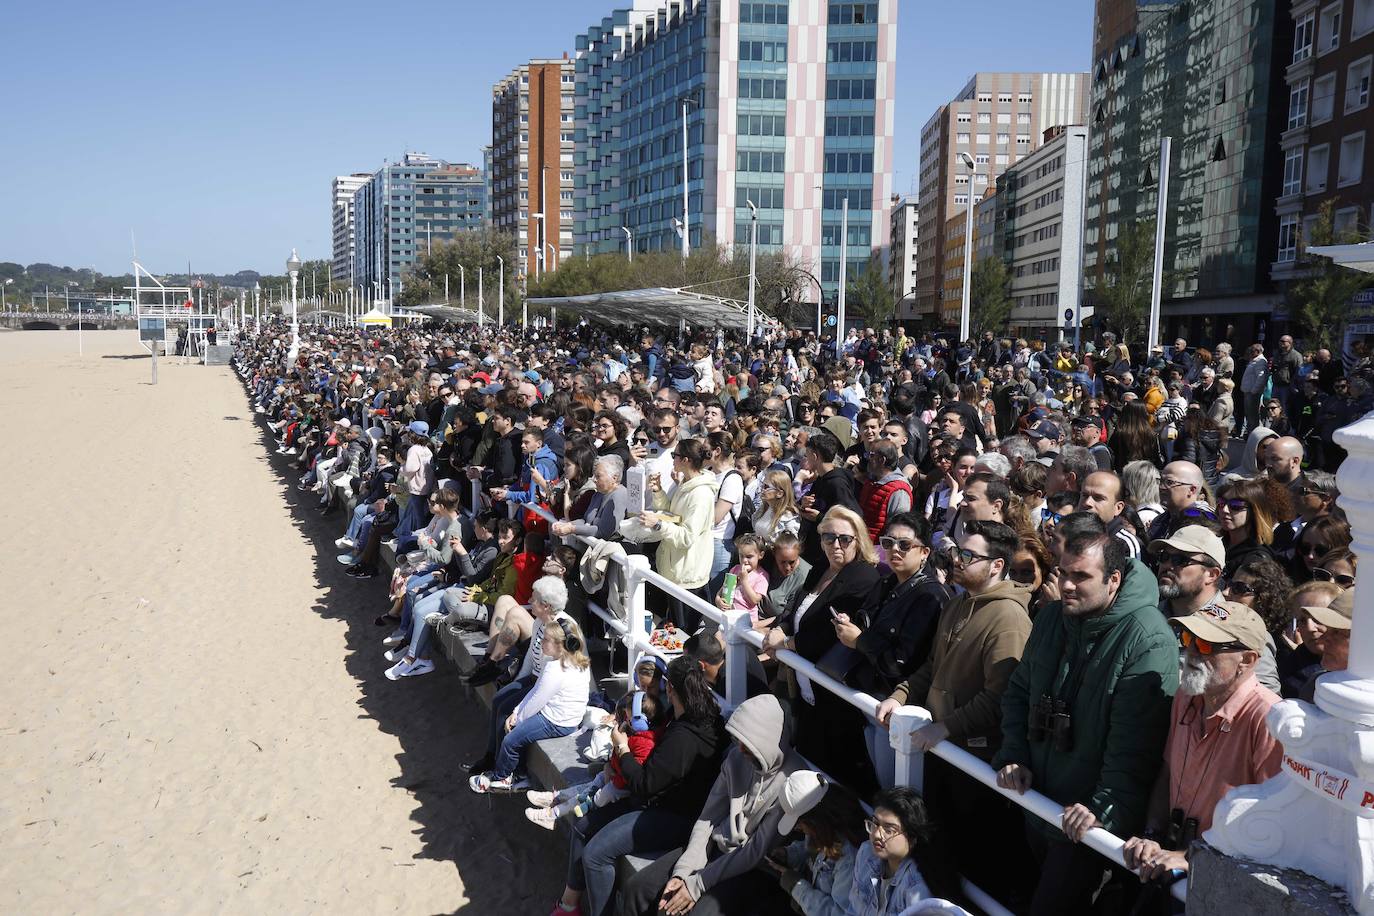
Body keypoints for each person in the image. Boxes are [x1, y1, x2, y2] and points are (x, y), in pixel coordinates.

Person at [995, 523, 1178, 916]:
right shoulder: (1051, 618)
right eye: (1063, 573)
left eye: (1081, 576)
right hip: (1037, 802)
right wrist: (1014, 755)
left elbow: (1135, 749)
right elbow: (1019, 693)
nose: (1066, 586)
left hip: (1085, 826)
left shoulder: (1148, 639)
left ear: (1113, 579)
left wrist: (1102, 812)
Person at [877, 519, 1033, 902]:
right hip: (944, 753)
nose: (956, 559)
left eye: (967, 554)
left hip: (975, 764)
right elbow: (934, 665)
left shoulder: (1010, 619)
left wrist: (946, 726)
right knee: (937, 857)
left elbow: (1000, 697)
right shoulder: (958, 601)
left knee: (971, 868)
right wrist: (900, 694)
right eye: (956, 551)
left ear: (997, 565)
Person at [551, 657, 728, 916]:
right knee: (582, 825)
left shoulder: (684, 736)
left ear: (670, 689)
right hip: (657, 800)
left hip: (674, 816)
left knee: (595, 855)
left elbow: (644, 784)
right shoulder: (697, 715)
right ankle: (569, 904)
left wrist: (622, 749)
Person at [1122, 601, 1283, 885]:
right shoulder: (1187, 695)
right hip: (1169, 863)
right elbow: (1168, 771)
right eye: (1188, 639)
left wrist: (1193, 857)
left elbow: (1273, 825)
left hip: (1220, 880)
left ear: (1247, 660)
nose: (1192, 651)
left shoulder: (1268, 718)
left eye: (1207, 645)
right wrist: (1151, 835)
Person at [618, 694, 805, 916]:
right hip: (715, 847)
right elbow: (708, 818)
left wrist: (696, 885)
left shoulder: (792, 779)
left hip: (752, 868)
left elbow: (756, 851)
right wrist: (683, 873)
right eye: (739, 741)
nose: (741, 749)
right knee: (637, 888)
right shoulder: (736, 759)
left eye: (748, 743)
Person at [763, 506, 882, 791]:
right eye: (829, 538)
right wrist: (781, 627)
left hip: (835, 696)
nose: (835, 545)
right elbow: (796, 605)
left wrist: (787, 643)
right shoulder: (821, 567)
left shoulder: (863, 577)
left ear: (858, 540)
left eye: (844, 539)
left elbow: (830, 633)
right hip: (807, 690)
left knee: (835, 777)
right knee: (807, 762)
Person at [469, 615, 590, 793]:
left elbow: (538, 700)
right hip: (565, 717)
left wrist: (517, 718)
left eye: (547, 639)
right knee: (518, 728)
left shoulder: (555, 669)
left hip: (558, 722)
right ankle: (519, 774)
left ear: (560, 645)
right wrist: (518, 711)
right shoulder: (571, 662)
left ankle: (502, 777)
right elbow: (536, 691)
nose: (541, 641)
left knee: (511, 740)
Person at [757, 771, 867, 916]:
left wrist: (796, 886)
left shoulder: (851, 858)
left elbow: (840, 913)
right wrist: (788, 854)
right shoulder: (825, 830)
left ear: (814, 819)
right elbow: (810, 849)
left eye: (798, 823)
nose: (798, 829)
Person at [848, 786, 969, 915]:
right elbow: (852, 910)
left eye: (889, 830)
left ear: (912, 837)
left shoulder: (917, 888)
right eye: (875, 824)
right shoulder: (866, 853)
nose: (877, 834)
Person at [641, 438, 717, 630]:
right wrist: (658, 492)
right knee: (672, 631)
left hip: (687, 576)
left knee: (684, 635)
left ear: (686, 460)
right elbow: (673, 516)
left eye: (674, 455)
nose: (672, 459)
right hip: (674, 571)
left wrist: (657, 525)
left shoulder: (700, 495)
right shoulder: (686, 484)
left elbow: (686, 537)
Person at [1279, 581, 1343, 698]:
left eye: (1318, 618)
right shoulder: (1289, 669)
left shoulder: (1363, 665)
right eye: (1302, 620)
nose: (1310, 628)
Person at [754, 469, 801, 547]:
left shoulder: (788, 517)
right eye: (762, 485)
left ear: (779, 493)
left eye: (766, 487)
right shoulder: (763, 509)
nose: (762, 489)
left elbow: (790, 546)